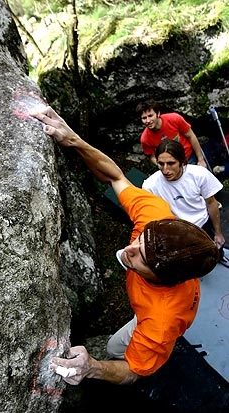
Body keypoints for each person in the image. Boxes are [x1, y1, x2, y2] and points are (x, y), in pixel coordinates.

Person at [29, 106, 219, 386]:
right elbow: (115, 177)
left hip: (154, 314)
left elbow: (132, 370)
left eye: (141, 257)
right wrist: (74, 141)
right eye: (140, 239)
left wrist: (91, 367)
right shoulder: (155, 215)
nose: (128, 250)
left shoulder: (160, 322)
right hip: (154, 301)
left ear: (163, 278)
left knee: (115, 349)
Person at [142, 139, 229, 268]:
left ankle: (220, 257)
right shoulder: (150, 185)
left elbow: (212, 203)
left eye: (171, 163)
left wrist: (218, 232)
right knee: (191, 260)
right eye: (161, 164)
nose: (165, 170)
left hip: (203, 222)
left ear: (182, 162)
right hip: (179, 230)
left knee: (215, 248)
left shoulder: (199, 175)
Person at [136, 99, 208, 168]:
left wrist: (200, 159)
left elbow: (191, 136)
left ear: (158, 113)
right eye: (144, 118)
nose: (148, 120)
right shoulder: (145, 139)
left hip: (190, 156)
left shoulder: (174, 118)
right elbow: (151, 156)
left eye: (150, 116)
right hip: (171, 166)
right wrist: (161, 166)